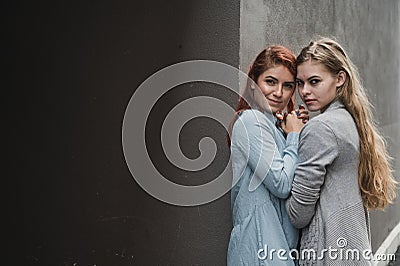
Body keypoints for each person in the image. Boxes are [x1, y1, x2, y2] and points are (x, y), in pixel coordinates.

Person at [286, 37, 397, 265]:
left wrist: (293, 137)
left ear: (340, 79)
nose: (305, 91)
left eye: (314, 81)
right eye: (300, 83)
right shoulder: (348, 119)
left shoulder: (321, 128)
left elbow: (298, 215)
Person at [227, 45, 308, 265]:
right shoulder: (251, 121)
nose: (279, 92)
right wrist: (294, 137)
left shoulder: (275, 127)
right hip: (257, 251)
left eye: (288, 86)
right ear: (254, 83)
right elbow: (281, 184)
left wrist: (292, 133)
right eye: (270, 81)